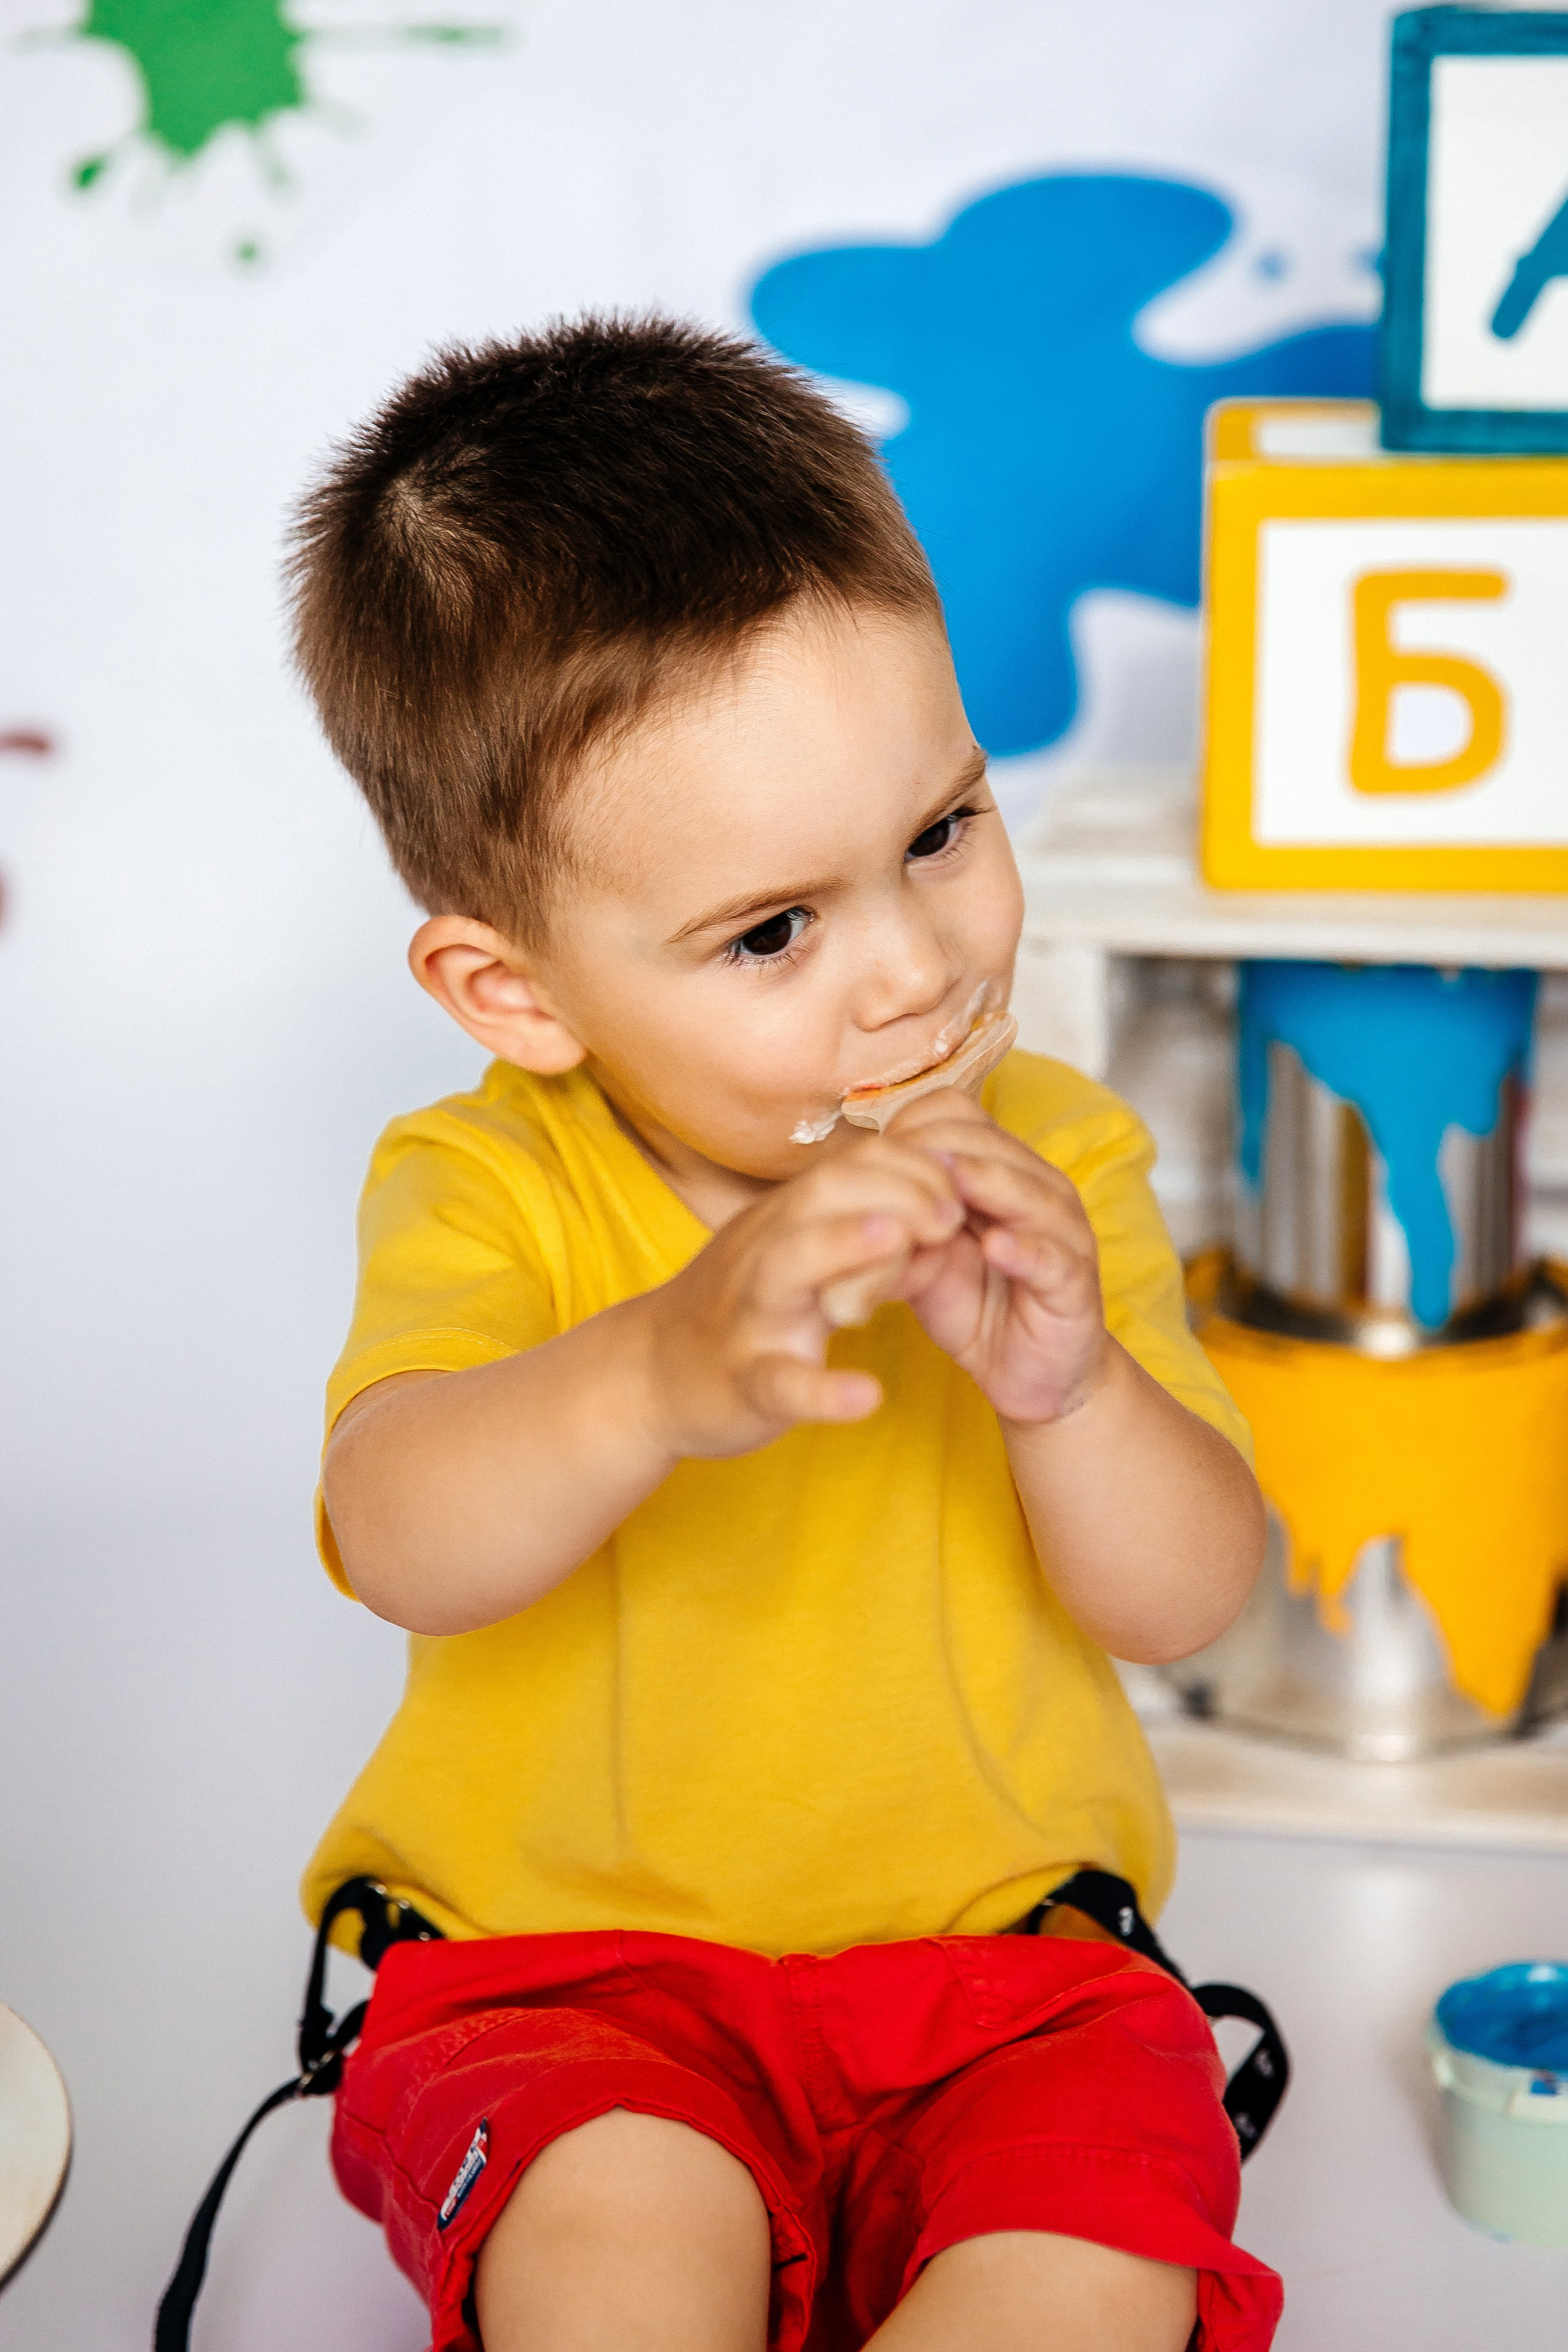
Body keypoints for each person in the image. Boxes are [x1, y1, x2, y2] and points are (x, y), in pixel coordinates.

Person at [290, 315, 1278, 2352]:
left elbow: (1191, 1601)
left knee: (1092, 2257)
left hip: (1015, 1978)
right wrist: (660, 1368)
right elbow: (401, 1533)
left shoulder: (1058, 1161)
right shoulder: (490, 1187)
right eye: (772, 931)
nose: (915, 970)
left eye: (941, 832)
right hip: (573, 1983)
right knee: (613, 2242)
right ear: (515, 993)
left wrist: (1072, 1392)